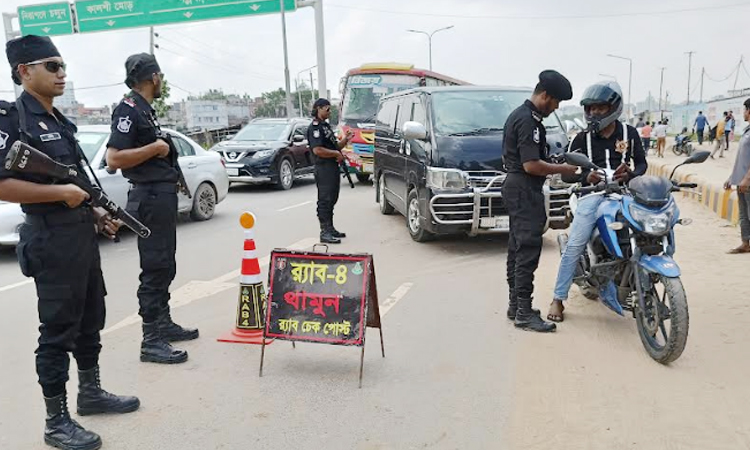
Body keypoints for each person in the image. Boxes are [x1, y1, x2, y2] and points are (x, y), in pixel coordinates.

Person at [0, 35, 139, 450]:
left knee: (90, 318)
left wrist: (95, 213)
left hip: (79, 235)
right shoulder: (12, 120)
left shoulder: (60, 122)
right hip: (49, 239)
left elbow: (74, 183)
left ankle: (91, 393)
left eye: (63, 67)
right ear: (25, 72)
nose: (62, 74)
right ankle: (56, 421)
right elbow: (3, 185)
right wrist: (62, 196)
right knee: (58, 330)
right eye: (52, 66)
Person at [106, 53, 198, 365]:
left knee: (165, 264)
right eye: (160, 76)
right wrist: (155, 149)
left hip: (160, 196)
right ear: (153, 78)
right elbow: (113, 159)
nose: (162, 81)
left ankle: (163, 323)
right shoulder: (128, 109)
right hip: (148, 197)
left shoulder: (145, 109)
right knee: (155, 268)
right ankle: (150, 340)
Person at [547, 81, 648, 322]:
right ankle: (558, 298)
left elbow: (642, 163)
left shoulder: (629, 133)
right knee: (575, 245)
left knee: (646, 231)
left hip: (623, 194)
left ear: (614, 107)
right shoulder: (580, 139)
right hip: (591, 194)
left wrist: (632, 174)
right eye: (590, 108)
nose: (593, 113)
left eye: (599, 108)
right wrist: (584, 175)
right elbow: (565, 172)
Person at [502, 70, 578, 333]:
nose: (555, 107)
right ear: (545, 95)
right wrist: (564, 169)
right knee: (527, 252)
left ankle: (516, 305)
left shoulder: (522, 116)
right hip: (524, 189)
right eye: (555, 102)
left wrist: (556, 163)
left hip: (517, 188)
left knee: (517, 248)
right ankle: (523, 312)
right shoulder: (528, 122)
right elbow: (531, 165)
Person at [307, 98, 354, 244]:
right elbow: (318, 150)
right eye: (327, 109)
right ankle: (324, 231)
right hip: (323, 168)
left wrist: (345, 140)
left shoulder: (325, 126)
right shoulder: (315, 127)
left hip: (332, 168)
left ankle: (330, 228)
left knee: (332, 198)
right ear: (319, 108)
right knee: (325, 200)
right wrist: (335, 155)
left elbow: (335, 146)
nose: (329, 112)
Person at [724, 99, 750, 254]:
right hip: (741, 181)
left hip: (747, 181)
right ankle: (746, 243)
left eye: (745, 109)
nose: (743, 112)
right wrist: (731, 178)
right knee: (743, 215)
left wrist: (747, 178)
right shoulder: (747, 131)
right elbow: (742, 158)